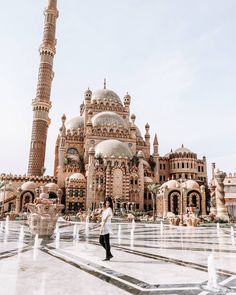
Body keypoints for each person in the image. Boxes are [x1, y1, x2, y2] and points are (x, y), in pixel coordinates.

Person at [99, 197, 113, 261]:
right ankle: (109, 254)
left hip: (106, 226)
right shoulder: (105, 209)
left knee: (106, 242)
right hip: (104, 225)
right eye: (106, 202)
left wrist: (101, 228)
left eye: (108, 203)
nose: (107, 204)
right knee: (101, 241)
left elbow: (105, 219)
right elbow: (102, 217)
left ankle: (108, 256)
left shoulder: (109, 209)